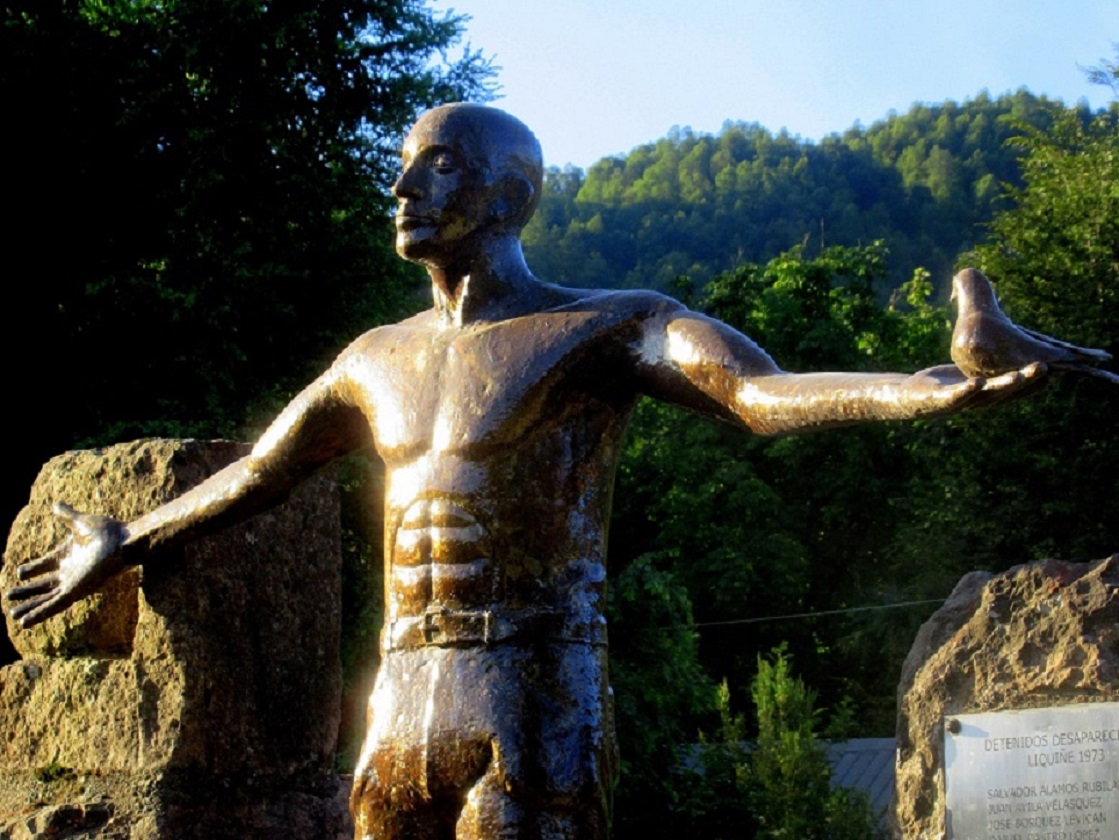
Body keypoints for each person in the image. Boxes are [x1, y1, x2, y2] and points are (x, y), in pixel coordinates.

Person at [5, 103, 1042, 839]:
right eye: (405, 165)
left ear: (509, 194)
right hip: (401, 686)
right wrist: (126, 541)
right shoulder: (373, 359)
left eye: (438, 166)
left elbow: (757, 396)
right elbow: (261, 474)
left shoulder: (604, 325)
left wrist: (923, 390)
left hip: (534, 682)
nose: (403, 188)